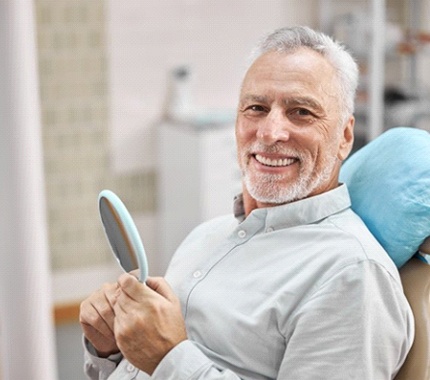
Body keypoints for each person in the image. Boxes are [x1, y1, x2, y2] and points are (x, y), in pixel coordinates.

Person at [80, 26, 414, 379]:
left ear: (345, 136)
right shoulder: (206, 236)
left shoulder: (351, 275)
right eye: (256, 108)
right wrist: (111, 349)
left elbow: (164, 360)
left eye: (301, 112)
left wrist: (169, 358)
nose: (269, 133)